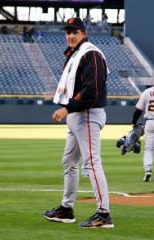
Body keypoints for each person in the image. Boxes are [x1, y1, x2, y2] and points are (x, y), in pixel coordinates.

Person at [43, 17, 114, 228]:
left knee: (91, 163)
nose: (71, 36)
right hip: (78, 116)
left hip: (87, 114)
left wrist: (67, 108)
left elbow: (92, 91)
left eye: (75, 32)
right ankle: (66, 209)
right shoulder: (76, 54)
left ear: (84, 34)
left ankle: (104, 214)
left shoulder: (90, 53)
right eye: (68, 32)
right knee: (69, 161)